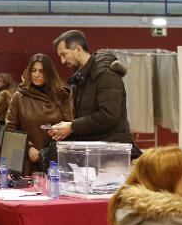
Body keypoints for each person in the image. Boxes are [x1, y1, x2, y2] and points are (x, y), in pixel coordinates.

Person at [50, 30, 141, 159]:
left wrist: (73, 126)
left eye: (64, 54)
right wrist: (67, 130)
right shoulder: (80, 79)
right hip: (96, 152)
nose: (62, 61)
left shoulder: (105, 74)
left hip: (112, 153)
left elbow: (108, 115)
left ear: (77, 49)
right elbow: (88, 119)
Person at [5, 53, 72, 175]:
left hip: (54, 158)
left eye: (41, 71)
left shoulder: (61, 95)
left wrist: (56, 138)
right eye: (33, 70)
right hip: (26, 160)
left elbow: (70, 125)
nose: (36, 75)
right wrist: (29, 147)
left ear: (49, 73)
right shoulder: (19, 96)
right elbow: (11, 129)